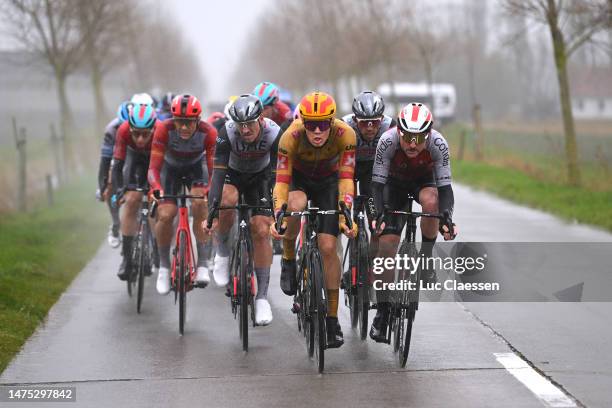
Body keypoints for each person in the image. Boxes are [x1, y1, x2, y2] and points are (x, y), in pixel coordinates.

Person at [269, 91, 357, 348]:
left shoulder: (346, 135)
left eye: (322, 125)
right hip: (299, 180)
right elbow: (281, 183)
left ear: (332, 122)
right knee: (295, 206)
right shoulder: (290, 137)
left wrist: (346, 213)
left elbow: (346, 179)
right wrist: (279, 216)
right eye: (310, 125)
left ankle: (331, 320)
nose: (317, 131)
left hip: (330, 183)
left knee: (329, 247)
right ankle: (288, 257)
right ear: (302, 123)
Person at [368, 102, 458, 342]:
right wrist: (379, 214)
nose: (412, 144)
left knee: (432, 204)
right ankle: (383, 311)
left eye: (418, 138)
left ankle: (426, 258)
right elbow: (376, 186)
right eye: (407, 136)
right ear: (399, 131)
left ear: (428, 134)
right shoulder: (387, 141)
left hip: (423, 181)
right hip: (393, 185)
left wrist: (446, 217)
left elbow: (446, 189)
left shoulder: (438, 144)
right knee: (387, 247)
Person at [204, 95, 281, 325]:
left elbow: (279, 176)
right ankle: (223, 254)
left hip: (262, 177)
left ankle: (262, 299)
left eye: (250, 124)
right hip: (233, 174)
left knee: (261, 229)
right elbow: (217, 175)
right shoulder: (226, 133)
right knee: (227, 199)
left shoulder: (274, 133)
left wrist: (276, 210)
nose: (245, 130)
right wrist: (212, 212)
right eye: (241, 125)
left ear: (261, 119)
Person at [148, 94, 217, 295]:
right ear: (173, 119)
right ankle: (163, 266)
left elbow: (215, 172)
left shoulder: (208, 132)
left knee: (199, 203)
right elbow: (153, 167)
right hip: (170, 169)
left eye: (188, 123)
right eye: (180, 122)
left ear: (198, 120)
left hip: (197, 167)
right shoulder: (163, 129)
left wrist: (208, 191)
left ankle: (203, 263)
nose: (184, 127)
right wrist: (156, 188)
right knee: (166, 214)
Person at [340, 91, 395, 286]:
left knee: (376, 223)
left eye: (374, 122)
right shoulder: (344, 125)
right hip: (349, 169)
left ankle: (367, 264)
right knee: (341, 215)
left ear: (382, 119)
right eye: (364, 122)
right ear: (355, 119)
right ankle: (346, 262)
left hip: (372, 173)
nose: (370, 127)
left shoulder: (390, 126)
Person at [110, 103, 156, 280]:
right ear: (129, 128)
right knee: (131, 201)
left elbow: (163, 168)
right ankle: (127, 259)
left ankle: (155, 248)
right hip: (133, 159)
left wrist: (157, 189)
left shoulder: (161, 131)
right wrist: (120, 190)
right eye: (135, 133)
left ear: (153, 128)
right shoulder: (122, 131)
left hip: (155, 159)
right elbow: (117, 167)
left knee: (157, 203)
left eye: (145, 134)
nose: (140, 139)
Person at [97, 101, 132, 248]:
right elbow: (105, 162)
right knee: (112, 186)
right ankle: (116, 223)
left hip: (139, 158)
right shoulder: (111, 130)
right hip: (118, 159)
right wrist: (103, 186)